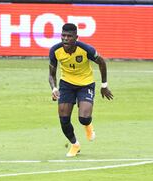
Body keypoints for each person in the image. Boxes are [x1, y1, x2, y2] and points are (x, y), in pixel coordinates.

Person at [48, 23, 113, 157]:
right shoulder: (55, 50)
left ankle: (88, 126)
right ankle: (75, 145)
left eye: (69, 36)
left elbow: (101, 62)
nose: (65, 39)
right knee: (64, 119)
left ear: (76, 37)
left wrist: (104, 85)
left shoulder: (86, 49)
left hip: (86, 84)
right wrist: (54, 88)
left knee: (84, 118)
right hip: (66, 84)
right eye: (63, 36)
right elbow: (51, 73)